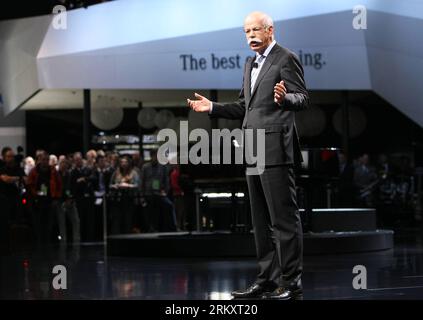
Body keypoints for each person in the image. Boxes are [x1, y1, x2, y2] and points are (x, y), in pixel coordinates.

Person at [188, 12, 309, 299]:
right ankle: (267, 279)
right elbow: (245, 106)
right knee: (260, 221)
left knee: (284, 220)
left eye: (256, 30)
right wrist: (213, 108)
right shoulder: (248, 63)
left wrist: (285, 99)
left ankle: (291, 283)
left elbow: (302, 98)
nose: (251, 35)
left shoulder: (285, 58)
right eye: (246, 31)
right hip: (252, 148)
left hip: (276, 149)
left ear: (270, 30)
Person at [27, 151, 62, 247]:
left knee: (49, 224)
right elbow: (29, 185)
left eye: (47, 160)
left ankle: (48, 243)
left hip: (49, 201)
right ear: (39, 160)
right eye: (43, 160)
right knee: (38, 224)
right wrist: (35, 194)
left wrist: (56, 198)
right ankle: (39, 243)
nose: (45, 162)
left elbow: (59, 185)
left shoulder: (53, 171)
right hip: (37, 201)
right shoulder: (34, 171)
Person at [141, 150, 176, 232]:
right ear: (151, 156)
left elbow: (166, 180)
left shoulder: (163, 167)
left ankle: (162, 227)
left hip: (159, 193)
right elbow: (142, 180)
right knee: (149, 212)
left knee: (162, 210)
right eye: (153, 156)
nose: (155, 158)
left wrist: (165, 192)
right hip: (148, 193)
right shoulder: (145, 167)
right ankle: (150, 228)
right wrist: (142, 194)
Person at [0, 147, 27, 253]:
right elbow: (5, 179)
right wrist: (17, 178)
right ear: (4, 158)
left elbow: (26, 179)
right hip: (4, 200)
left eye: (12, 156)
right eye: (8, 156)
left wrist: (14, 178)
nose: (11, 158)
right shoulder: (2, 168)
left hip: (16, 199)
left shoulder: (18, 168)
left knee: (17, 221)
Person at [109, 156, 140, 234]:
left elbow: (138, 185)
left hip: (129, 199)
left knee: (128, 220)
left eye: (125, 162)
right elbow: (110, 185)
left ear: (129, 163)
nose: (123, 164)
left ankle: (128, 237)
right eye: (122, 162)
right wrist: (115, 186)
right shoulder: (116, 173)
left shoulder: (134, 173)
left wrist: (128, 185)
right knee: (117, 220)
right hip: (118, 199)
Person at [57, 158, 80, 244]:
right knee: (62, 222)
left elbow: (73, 188)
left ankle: (76, 239)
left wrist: (71, 198)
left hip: (70, 201)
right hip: (60, 201)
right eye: (62, 163)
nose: (64, 165)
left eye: (65, 163)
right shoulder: (56, 175)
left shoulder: (70, 175)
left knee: (76, 221)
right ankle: (63, 240)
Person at [170, 164, 186, 231]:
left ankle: (182, 226)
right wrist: (181, 190)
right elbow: (174, 185)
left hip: (181, 195)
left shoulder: (180, 173)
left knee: (182, 211)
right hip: (177, 195)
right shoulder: (174, 173)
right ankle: (178, 227)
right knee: (178, 212)